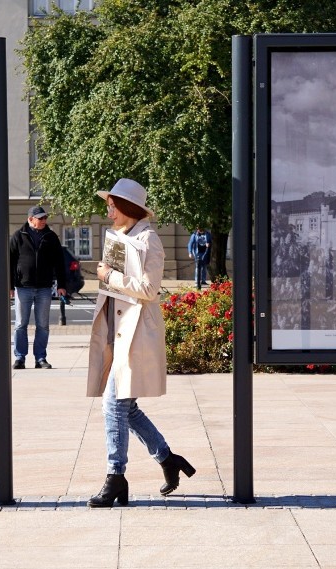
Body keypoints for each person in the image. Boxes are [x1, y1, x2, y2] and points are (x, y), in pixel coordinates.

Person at [87, 178, 195, 508]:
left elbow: (149, 290)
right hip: (118, 330)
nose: (108, 210)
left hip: (137, 333)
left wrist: (109, 276)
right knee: (126, 407)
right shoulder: (119, 238)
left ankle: (115, 476)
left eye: (112, 205)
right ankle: (167, 459)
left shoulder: (150, 240)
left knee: (114, 405)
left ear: (128, 208)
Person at [9, 205, 67, 370]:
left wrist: (62, 285)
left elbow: (59, 263)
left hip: (44, 288)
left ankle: (40, 358)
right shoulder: (18, 236)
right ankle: (20, 358)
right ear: (30, 219)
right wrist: (9, 285)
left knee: (43, 325)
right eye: (40, 218)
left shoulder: (51, 237)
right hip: (23, 287)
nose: (43, 221)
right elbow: (10, 262)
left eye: (45, 218)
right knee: (21, 324)